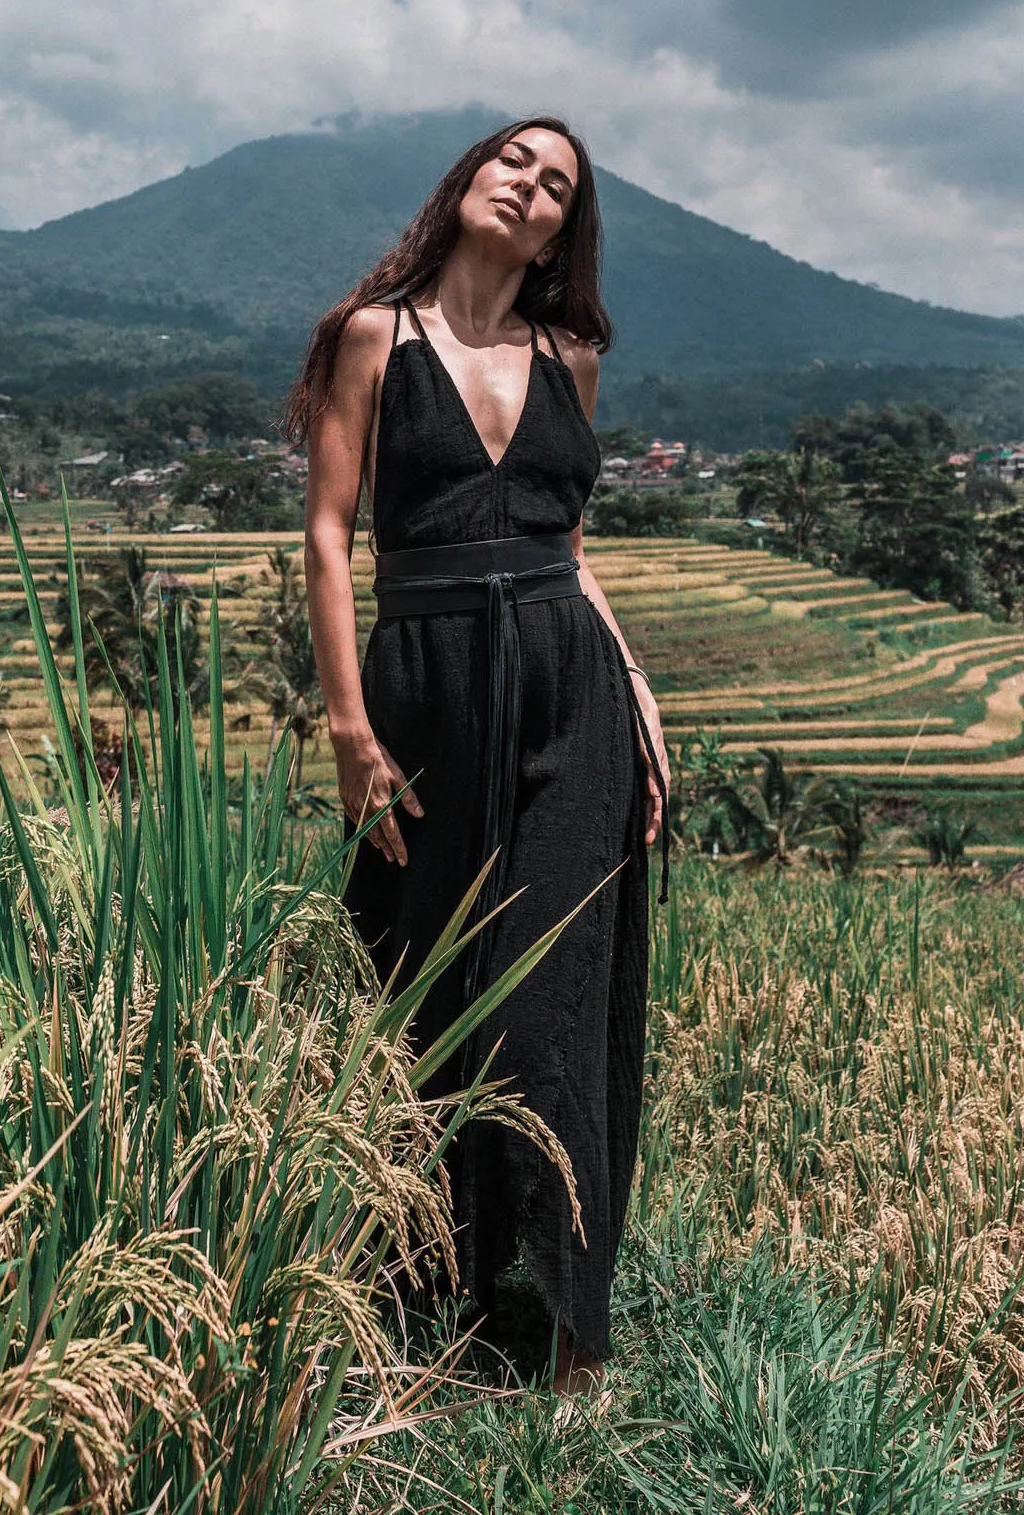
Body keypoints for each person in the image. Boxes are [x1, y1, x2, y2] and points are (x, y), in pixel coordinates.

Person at [288, 116, 669, 1395]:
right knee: (411, 974)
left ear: (568, 226)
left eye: (559, 182)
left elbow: (566, 546)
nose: (533, 184)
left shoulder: (573, 354)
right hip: (424, 687)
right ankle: (406, 1289)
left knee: (559, 989)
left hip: (573, 688)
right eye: (516, 159)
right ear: (468, 181)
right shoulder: (373, 338)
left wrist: (639, 686)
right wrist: (348, 725)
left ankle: (569, 1329)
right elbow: (333, 535)